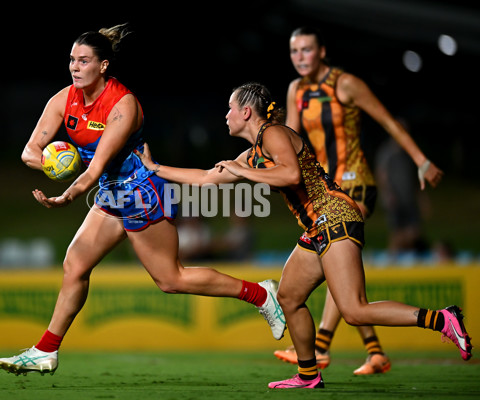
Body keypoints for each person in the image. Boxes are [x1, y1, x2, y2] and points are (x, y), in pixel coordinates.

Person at [136, 82, 472, 389]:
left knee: (354, 310)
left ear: (246, 112)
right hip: (317, 226)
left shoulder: (273, 134)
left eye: (230, 108)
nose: (225, 115)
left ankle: (442, 319)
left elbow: (291, 174)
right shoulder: (253, 152)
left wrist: (243, 172)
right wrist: (156, 169)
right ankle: (308, 375)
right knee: (289, 297)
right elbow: (207, 177)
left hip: (334, 216)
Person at [0, 24, 285, 376]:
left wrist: (67, 193)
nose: (74, 67)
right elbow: (29, 151)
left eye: (83, 61)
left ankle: (261, 294)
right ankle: (46, 350)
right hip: (111, 191)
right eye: (72, 59)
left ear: (102, 66)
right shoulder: (64, 99)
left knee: (170, 279)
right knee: (75, 264)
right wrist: (52, 163)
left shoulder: (122, 105)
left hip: (141, 191)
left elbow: (96, 166)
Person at [274, 26, 445, 375]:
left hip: (356, 185)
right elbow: (288, 138)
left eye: (307, 50)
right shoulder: (296, 90)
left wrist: (420, 161)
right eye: (295, 51)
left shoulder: (346, 84)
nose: (301, 58)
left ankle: (320, 346)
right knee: (341, 273)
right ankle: (374, 351)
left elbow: (386, 121)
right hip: (327, 190)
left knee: (333, 254)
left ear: (323, 51)